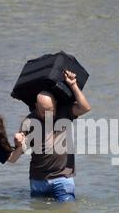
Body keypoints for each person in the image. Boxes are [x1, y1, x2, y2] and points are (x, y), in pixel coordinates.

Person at [18, 70, 91, 202]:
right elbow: (21, 150)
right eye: (44, 111)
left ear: (56, 105)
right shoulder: (28, 121)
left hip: (63, 178)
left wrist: (73, 85)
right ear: (36, 107)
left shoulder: (64, 112)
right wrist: (19, 141)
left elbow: (85, 108)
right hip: (38, 179)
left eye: (51, 110)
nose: (49, 115)